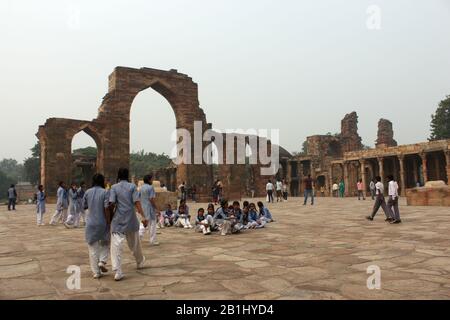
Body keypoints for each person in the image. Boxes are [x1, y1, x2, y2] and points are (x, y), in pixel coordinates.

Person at [108, 168, 148, 281]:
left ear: (119, 176)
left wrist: (109, 218)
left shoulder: (114, 187)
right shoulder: (132, 187)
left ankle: (118, 270)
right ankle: (140, 261)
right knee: (135, 244)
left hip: (118, 219)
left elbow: (111, 204)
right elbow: (137, 203)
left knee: (116, 245)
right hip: (130, 218)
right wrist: (143, 216)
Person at [83, 173, 110, 279]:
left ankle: (96, 272)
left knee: (92, 248)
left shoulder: (87, 192)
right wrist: (108, 221)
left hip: (90, 223)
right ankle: (102, 261)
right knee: (105, 243)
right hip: (102, 221)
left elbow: (85, 206)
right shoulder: (105, 192)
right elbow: (106, 208)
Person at [138, 175, 159, 246]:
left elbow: (138, 198)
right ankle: (152, 240)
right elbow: (151, 199)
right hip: (150, 209)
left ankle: (139, 237)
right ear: (149, 180)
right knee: (152, 224)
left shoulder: (141, 188)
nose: (152, 181)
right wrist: (156, 208)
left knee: (143, 223)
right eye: (151, 179)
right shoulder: (150, 188)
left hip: (143, 208)